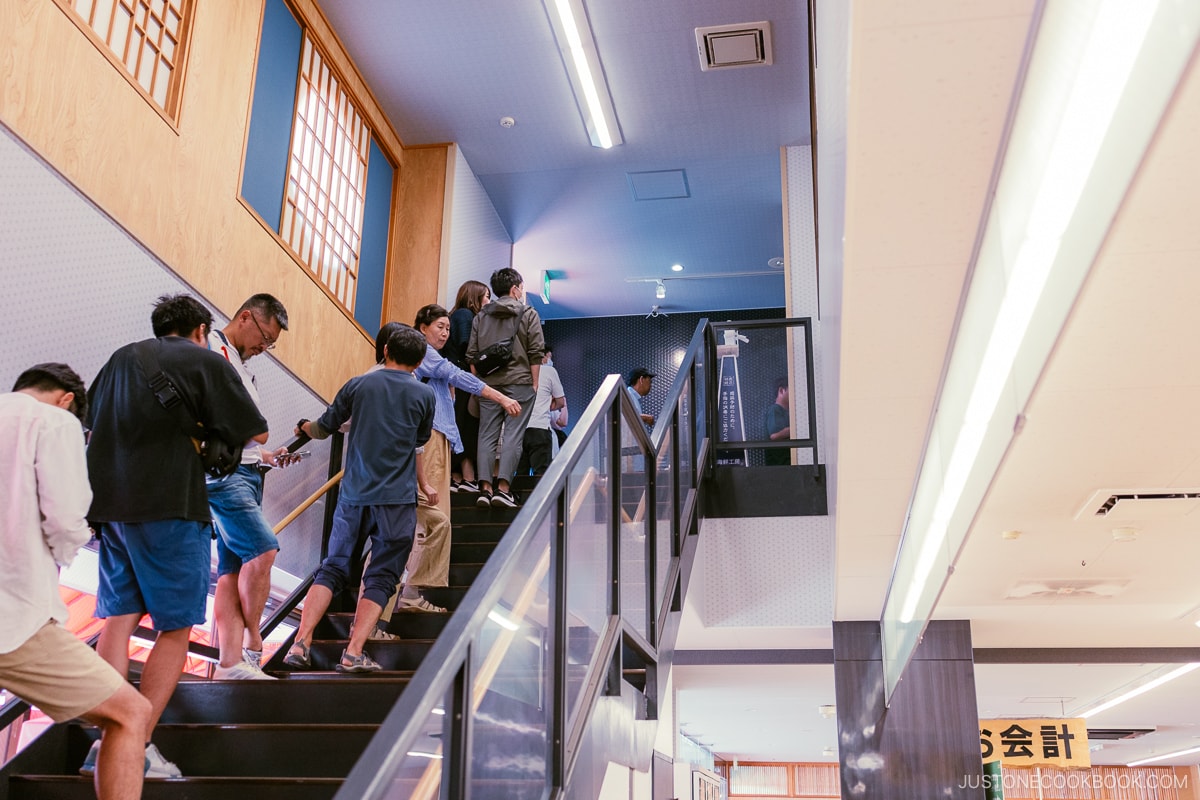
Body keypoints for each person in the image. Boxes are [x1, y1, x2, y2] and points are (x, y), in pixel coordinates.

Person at [86, 294, 267, 777]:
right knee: (176, 626)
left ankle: (103, 741)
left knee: (118, 621)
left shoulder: (120, 360)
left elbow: (90, 423)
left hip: (113, 510)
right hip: (174, 507)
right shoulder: (205, 361)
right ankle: (136, 742)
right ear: (201, 330)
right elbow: (255, 434)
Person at [1, 364, 151, 799]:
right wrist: (67, 551)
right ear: (68, 399)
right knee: (129, 713)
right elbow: (66, 516)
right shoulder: (55, 420)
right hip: (14, 615)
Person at [284, 324, 435, 673]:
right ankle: (353, 652)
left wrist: (304, 427)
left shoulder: (359, 384)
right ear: (420, 361)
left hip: (353, 495)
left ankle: (300, 642)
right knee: (382, 576)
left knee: (333, 567)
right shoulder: (425, 396)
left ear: (385, 352)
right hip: (397, 501)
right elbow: (419, 441)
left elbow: (324, 428)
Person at [206, 294, 294, 680]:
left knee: (230, 570)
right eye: (264, 338)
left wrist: (265, 455)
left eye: (270, 344)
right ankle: (254, 642)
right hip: (224, 475)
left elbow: (243, 431)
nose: (265, 348)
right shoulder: (211, 347)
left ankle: (229, 662)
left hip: (248, 469)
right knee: (264, 550)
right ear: (245, 317)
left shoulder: (244, 366)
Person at [466, 268, 545, 508]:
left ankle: (485, 489)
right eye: (521, 287)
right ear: (514, 289)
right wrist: (534, 383)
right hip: (520, 384)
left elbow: (472, 355)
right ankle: (503, 489)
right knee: (513, 436)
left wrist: (480, 385)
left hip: (489, 387)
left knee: (486, 435)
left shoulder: (481, 316)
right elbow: (536, 352)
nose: (521, 292)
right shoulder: (528, 313)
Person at [441, 280, 491, 493]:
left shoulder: (458, 315)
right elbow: (467, 346)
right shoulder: (464, 316)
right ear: (475, 296)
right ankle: (467, 477)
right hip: (461, 380)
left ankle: (458, 477)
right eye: (486, 296)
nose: (488, 301)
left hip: (456, 379)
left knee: (460, 425)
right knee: (466, 427)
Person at [518, 350, 566, 476]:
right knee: (541, 476)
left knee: (520, 476)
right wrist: (546, 407)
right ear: (542, 356)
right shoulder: (549, 371)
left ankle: (518, 496)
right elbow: (561, 402)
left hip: (518, 430)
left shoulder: (517, 370)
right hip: (540, 428)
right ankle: (541, 497)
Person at [764, 378, 791, 466]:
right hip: (780, 464)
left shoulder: (788, 412)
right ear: (781, 390)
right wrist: (795, 429)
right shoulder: (775, 410)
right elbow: (775, 435)